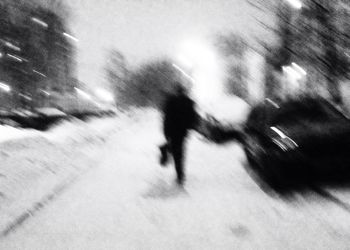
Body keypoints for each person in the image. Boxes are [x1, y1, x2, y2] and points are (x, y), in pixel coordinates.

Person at [159, 83, 198, 185]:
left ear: (176, 91)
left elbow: (166, 118)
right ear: (183, 91)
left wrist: (166, 132)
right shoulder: (189, 102)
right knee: (179, 154)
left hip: (172, 130)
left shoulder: (170, 101)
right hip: (182, 131)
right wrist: (189, 127)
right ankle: (180, 175)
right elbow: (193, 118)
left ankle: (166, 149)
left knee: (176, 151)